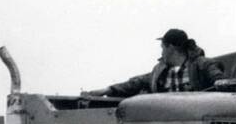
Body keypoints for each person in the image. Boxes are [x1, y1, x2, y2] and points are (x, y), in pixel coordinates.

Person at [91, 28, 226, 98]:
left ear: (170, 48)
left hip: (194, 121)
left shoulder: (202, 65)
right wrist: (108, 89)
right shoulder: (159, 72)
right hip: (167, 123)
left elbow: (219, 78)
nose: (161, 52)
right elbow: (135, 83)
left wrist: (220, 82)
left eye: (162, 47)